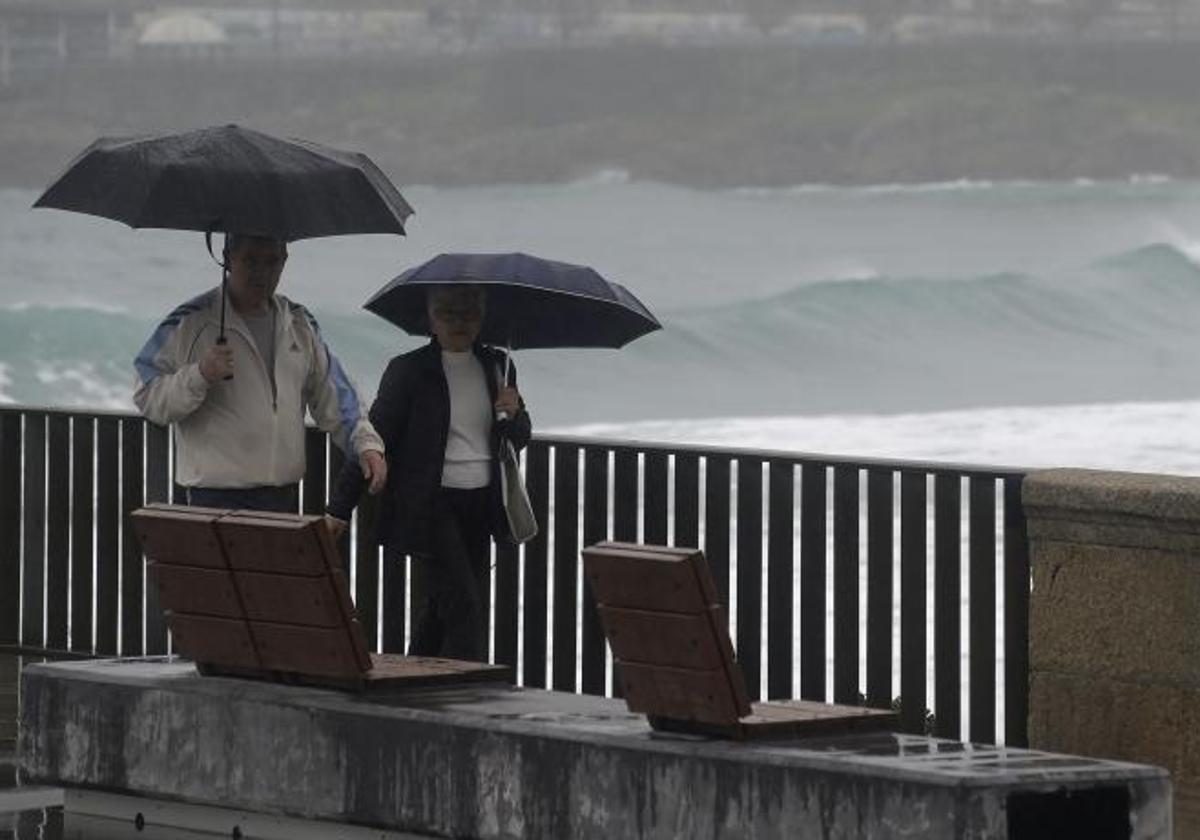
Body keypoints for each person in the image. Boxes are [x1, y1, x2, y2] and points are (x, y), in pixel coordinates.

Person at [325, 284, 531, 661]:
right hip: (431, 505)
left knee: (442, 608)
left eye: (469, 312)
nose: (459, 321)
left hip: (481, 505)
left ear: (482, 317)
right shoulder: (409, 370)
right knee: (465, 605)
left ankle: (413, 683)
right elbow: (374, 436)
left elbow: (517, 438)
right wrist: (340, 507)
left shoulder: (498, 365)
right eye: (448, 312)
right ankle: (469, 703)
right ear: (430, 318)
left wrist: (515, 415)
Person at [133, 233, 386, 513]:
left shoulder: (299, 322)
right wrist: (200, 375)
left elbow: (335, 396)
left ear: (285, 260)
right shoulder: (191, 321)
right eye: (250, 260)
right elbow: (147, 395)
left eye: (272, 261)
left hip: (283, 496)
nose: (262, 272)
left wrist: (366, 446)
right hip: (213, 498)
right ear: (228, 259)